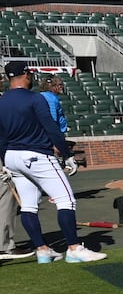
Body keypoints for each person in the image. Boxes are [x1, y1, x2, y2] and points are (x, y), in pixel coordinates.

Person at [0, 60, 104, 263]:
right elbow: (51, 129)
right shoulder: (35, 98)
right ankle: (74, 248)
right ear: (26, 75)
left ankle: (42, 250)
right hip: (37, 154)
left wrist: (5, 160)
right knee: (66, 200)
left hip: (12, 156)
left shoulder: (1, 101)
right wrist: (68, 155)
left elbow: (1, 137)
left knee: (29, 206)